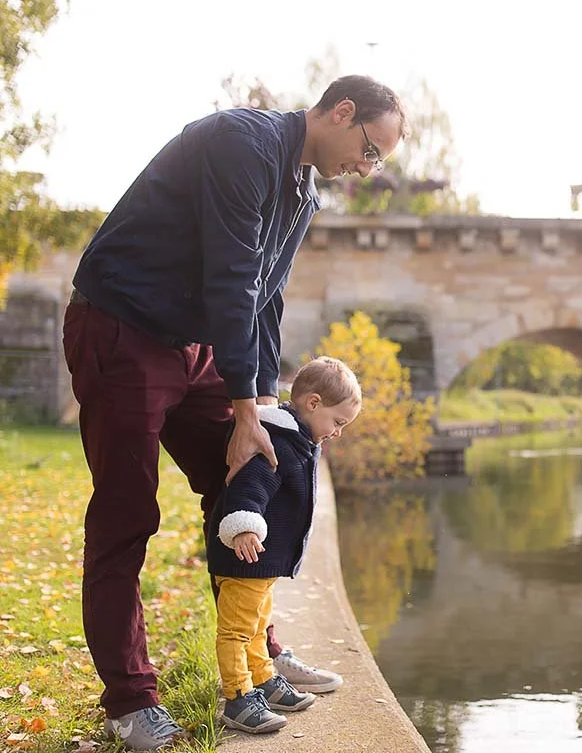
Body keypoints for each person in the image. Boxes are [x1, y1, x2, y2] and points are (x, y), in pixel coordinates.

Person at [61, 74, 408, 750]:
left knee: (248, 481)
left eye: (378, 161)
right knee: (126, 516)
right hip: (122, 328)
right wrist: (243, 406)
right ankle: (130, 701)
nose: (367, 169)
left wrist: (266, 407)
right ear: (342, 112)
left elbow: (267, 297)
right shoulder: (241, 143)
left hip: (193, 344)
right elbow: (233, 277)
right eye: (370, 150)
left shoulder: (304, 191)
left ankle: (257, 656)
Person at [208, 356, 362, 734]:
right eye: (337, 422)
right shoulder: (276, 442)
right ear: (313, 403)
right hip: (244, 554)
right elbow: (249, 486)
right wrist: (245, 527)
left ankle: (262, 679)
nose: (337, 433)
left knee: (258, 625)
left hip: (262, 562)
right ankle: (238, 697)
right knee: (237, 630)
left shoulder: (300, 441)